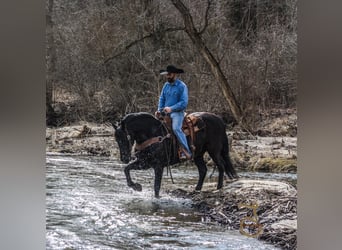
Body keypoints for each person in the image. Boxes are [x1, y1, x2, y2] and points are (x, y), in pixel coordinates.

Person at [155, 65, 192, 160]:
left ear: (175, 74)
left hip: (177, 113)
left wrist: (171, 108)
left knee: (176, 128)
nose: (167, 76)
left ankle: (186, 151)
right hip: (165, 112)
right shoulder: (166, 85)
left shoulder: (182, 86)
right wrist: (159, 110)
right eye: (167, 75)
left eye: (169, 74)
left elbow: (184, 102)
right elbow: (162, 98)